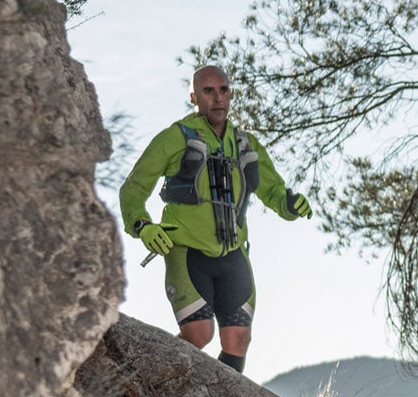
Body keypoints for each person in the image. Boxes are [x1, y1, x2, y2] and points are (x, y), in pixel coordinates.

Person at [118, 64, 311, 376]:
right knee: (199, 334)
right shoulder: (174, 138)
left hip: (233, 254)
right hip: (186, 250)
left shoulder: (246, 143)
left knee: (238, 339)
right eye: (208, 91)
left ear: (230, 94)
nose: (218, 98)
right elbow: (134, 187)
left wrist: (289, 205)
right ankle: (149, 381)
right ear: (195, 97)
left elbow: (273, 190)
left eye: (223, 90)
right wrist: (142, 225)